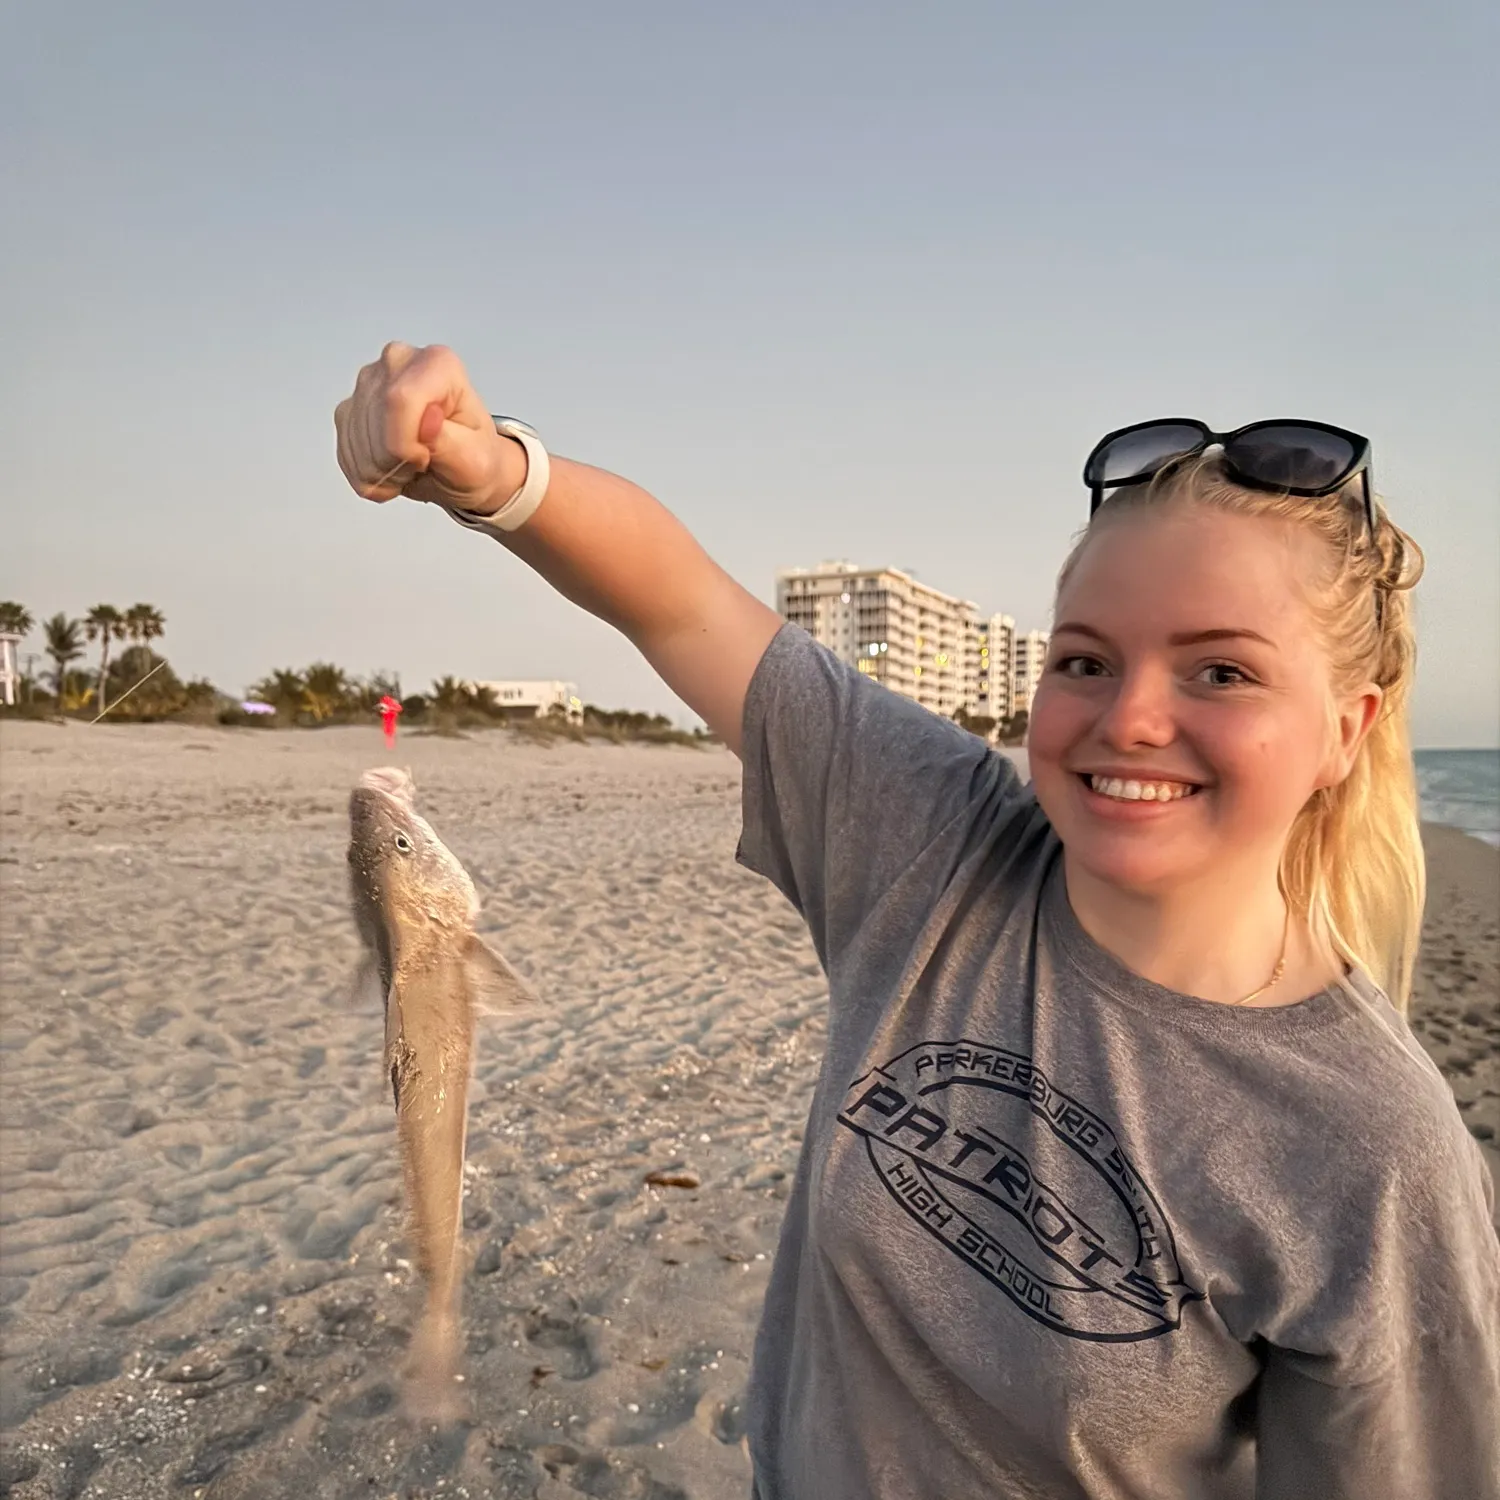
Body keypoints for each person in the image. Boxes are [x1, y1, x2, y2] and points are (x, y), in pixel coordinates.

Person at [335, 345, 1500, 1499]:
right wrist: (492, 476)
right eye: (1086, 660)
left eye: (1222, 674)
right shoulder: (937, 845)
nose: (1131, 718)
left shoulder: (1376, 1155)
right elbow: (684, 604)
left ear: (1347, 730)